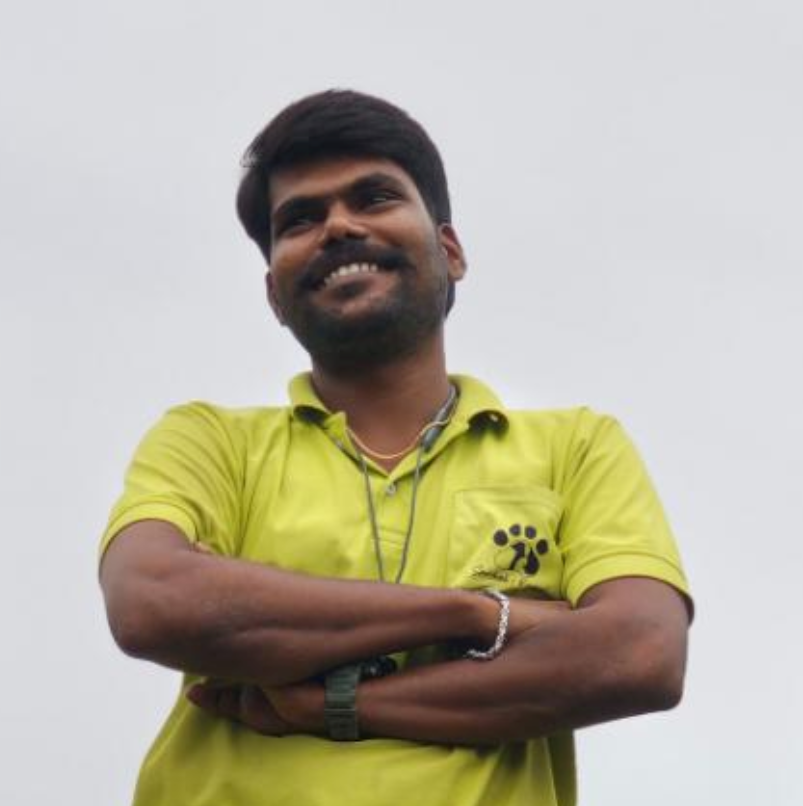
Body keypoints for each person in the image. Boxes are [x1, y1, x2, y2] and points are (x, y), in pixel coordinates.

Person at [99, 90, 692, 806]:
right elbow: (153, 603)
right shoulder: (210, 442)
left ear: (450, 251)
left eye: (373, 197)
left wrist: (329, 706)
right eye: (300, 219)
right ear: (274, 297)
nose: (338, 226)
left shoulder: (575, 447)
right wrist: (478, 615)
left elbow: (639, 655)